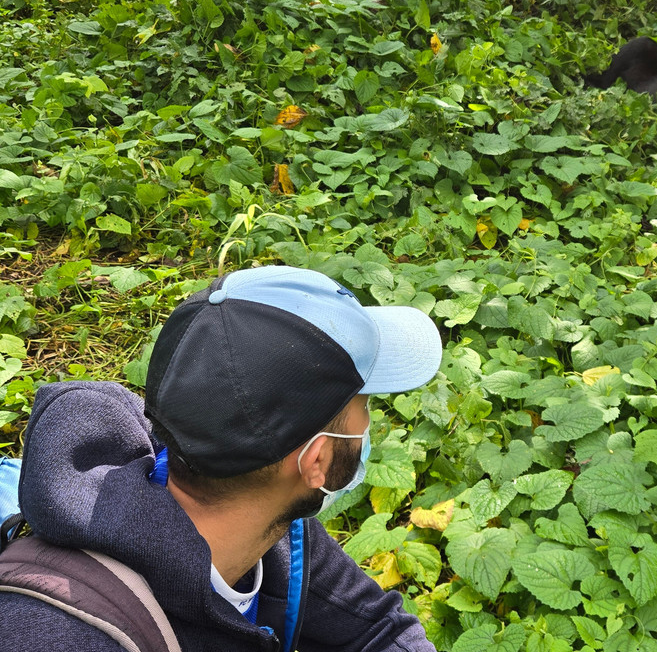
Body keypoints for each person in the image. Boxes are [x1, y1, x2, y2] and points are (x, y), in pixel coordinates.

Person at [0, 265, 444, 651]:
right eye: (363, 405)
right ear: (318, 460)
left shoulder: (277, 535)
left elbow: (380, 630)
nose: (370, 424)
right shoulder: (57, 635)